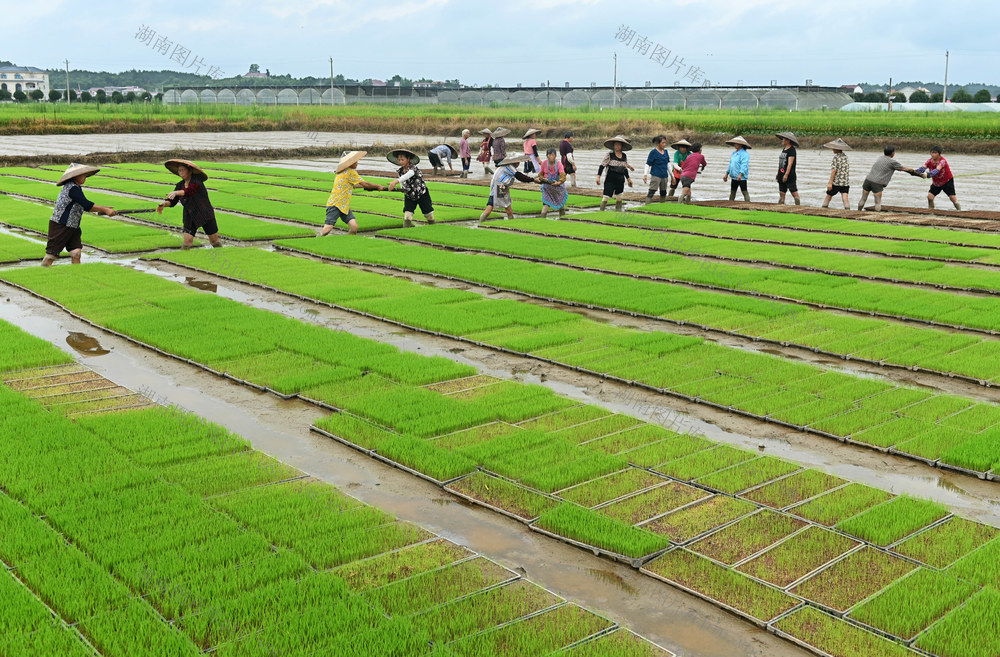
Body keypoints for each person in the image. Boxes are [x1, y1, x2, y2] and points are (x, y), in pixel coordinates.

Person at [43, 164, 116, 267]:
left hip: (73, 226)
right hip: (61, 225)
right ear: (76, 176)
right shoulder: (72, 188)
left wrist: (105, 209)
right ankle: (43, 270)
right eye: (83, 176)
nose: (85, 178)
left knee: (76, 253)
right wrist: (104, 209)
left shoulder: (76, 187)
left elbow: (85, 206)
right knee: (51, 255)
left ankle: (77, 274)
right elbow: (86, 204)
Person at [157, 159, 221, 249]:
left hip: (205, 213)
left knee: (214, 241)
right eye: (179, 170)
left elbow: (189, 191)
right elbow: (172, 201)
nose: (180, 172)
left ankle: (221, 253)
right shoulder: (180, 185)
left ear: (190, 171)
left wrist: (176, 192)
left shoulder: (197, 182)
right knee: (187, 241)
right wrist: (164, 204)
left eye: (182, 170)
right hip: (190, 215)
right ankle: (184, 255)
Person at [319, 151, 385, 235]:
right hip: (335, 204)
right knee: (328, 228)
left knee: (354, 227)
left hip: (344, 205)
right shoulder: (350, 172)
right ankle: (317, 239)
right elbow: (365, 183)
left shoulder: (343, 171)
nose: (357, 163)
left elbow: (354, 185)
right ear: (349, 163)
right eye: (355, 161)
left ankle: (347, 240)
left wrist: (368, 187)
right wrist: (376, 186)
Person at [857, 145, 922, 212]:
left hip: (868, 180)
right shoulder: (892, 162)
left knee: (863, 199)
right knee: (877, 202)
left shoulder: (880, 158)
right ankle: (877, 216)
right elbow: (904, 169)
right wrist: (915, 172)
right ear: (893, 153)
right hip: (877, 183)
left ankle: (858, 212)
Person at [386, 149, 435, 227]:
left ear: (408, 159)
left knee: (429, 215)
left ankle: (434, 227)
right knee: (407, 215)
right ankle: (405, 230)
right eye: (399, 160)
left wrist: (395, 182)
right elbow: (403, 182)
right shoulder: (400, 171)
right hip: (409, 195)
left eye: (402, 159)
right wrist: (402, 189)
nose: (400, 162)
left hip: (421, 193)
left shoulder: (413, 168)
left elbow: (409, 175)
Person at [480, 155, 534, 221]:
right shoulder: (510, 167)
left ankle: (481, 222)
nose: (518, 164)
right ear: (515, 162)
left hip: (496, 186)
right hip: (500, 187)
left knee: (492, 207)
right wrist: (533, 180)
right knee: (507, 207)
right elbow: (519, 176)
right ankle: (511, 222)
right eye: (518, 162)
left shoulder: (504, 166)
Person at [597, 135, 634, 211]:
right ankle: (601, 211)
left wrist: (628, 179)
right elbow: (602, 165)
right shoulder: (609, 155)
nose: (617, 146)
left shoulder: (624, 156)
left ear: (621, 146)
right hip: (610, 179)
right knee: (606, 196)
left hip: (620, 179)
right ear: (613, 146)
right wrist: (598, 176)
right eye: (615, 145)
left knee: (619, 196)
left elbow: (624, 169)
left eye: (619, 145)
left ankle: (618, 211)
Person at [917, 146, 961, 211]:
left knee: (952, 197)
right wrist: (916, 172)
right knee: (930, 197)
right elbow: (922, 168)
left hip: (947, 181)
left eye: (935, 153)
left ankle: (959, 210)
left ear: (939, 154)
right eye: (932, 153)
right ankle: (931, 209)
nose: (933, 154)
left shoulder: (942, 161)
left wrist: (927, 175)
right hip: (936, 182)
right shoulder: (929, 161)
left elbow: (936, 171)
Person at [821, 138, 852, 210]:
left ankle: (823, 209)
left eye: (833, 148)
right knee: (845, 198)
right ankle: (848, 211)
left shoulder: (836, 158)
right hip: (845, 182)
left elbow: (834, 171)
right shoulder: (845, 157)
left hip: (837, 182)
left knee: (828, 196)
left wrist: (830, 183)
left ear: (837, 149)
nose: (832, 149)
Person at [538, 148, 568, 218]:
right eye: (549, 155)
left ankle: (562, 218)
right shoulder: (544, 163)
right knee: (546, 204)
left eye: (553, 155)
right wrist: (543, 179)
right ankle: (542, 219)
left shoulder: (558, 164)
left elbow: (562, 175)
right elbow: (540, 174)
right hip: (547, 188)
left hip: (558, 188)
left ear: (555, 156)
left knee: (561, 204)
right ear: (547, 156)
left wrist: (559, 182)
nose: (551, 156)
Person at [644, 135, 672, 203]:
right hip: (656, 174)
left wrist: (672, 176)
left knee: (663, 192)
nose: (664, 144)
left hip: (664, 175)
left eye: (665, 143)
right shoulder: (653, 152)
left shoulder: (666, 152)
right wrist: (645, 174)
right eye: (663, 143)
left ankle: (662, 205)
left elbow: (668, 164)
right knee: (652, 191)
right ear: (658, 143)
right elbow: (648, 164)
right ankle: (647, 204)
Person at [723, 136, 751, 202]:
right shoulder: (734, 153)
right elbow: (731, 164)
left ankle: (748, 204)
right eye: (734, 143)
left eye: (736, 143)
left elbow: (744, 165)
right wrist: (727, 173)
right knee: (732, 191)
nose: (735, 145)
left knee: (744, 191)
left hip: (741, 177)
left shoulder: (745, 154)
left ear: (740, 145)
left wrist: (740, 175)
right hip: (734, 176)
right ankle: (730, 203)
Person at [775, 131, 800, 205]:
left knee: (794, 192)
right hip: (781, 173)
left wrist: (786, 174)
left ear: (788, 140)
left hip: (789, 175)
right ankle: (781, 207)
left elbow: (790, 164)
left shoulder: (792, 150)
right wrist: (778, 173)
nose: (783, 140)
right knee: (782, 192)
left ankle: (798, 206)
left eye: (784, 139)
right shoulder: (784, 149)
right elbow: (781, 163)